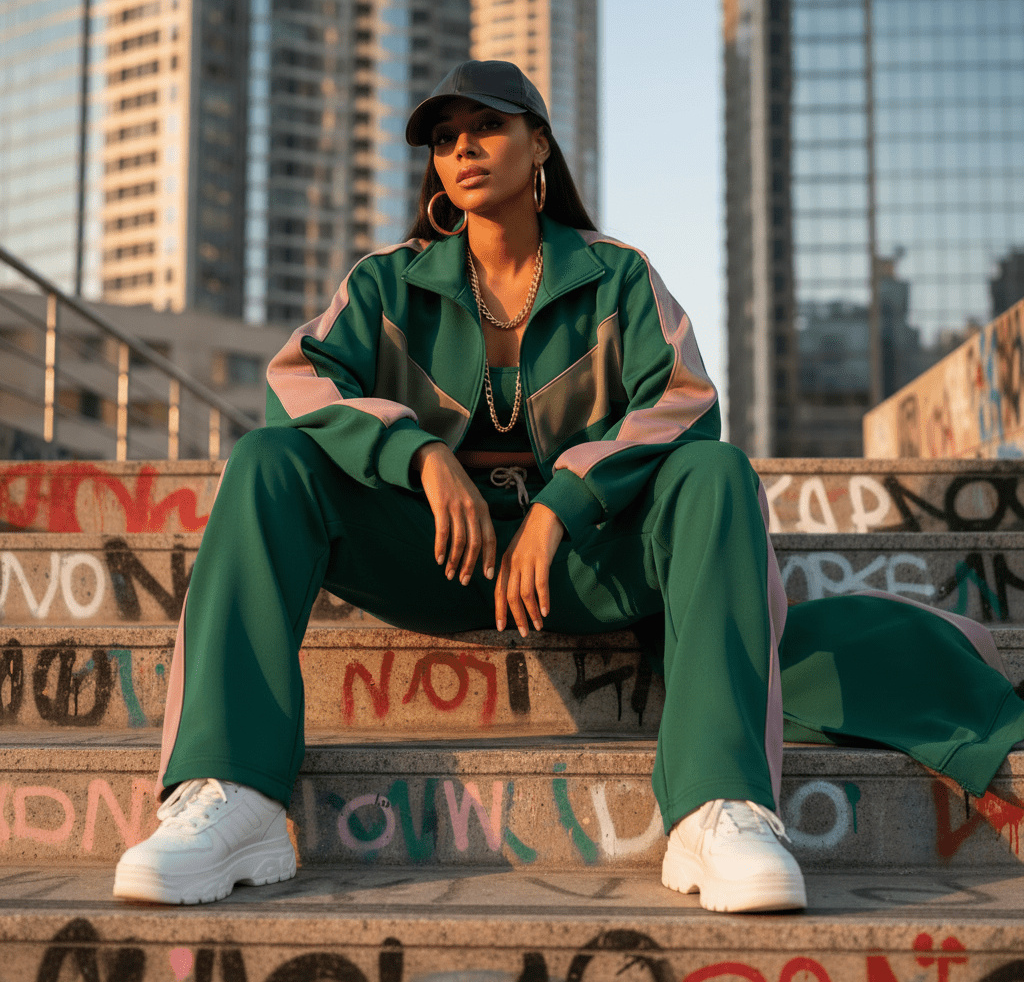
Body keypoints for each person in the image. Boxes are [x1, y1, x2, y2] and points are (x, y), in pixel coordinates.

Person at [113, 60, 1024, 912]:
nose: (464, 148)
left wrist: (564, 503)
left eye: (488, 126)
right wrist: (422, 458)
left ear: (540, 144)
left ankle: (717, 808)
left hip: (583, 569)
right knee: (268, 463)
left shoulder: (616, 276)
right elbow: (294, 382)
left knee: (715, 472)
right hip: (434, 559)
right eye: (445, 136)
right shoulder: (386, 284)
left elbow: (684, 401)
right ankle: (230, 793)